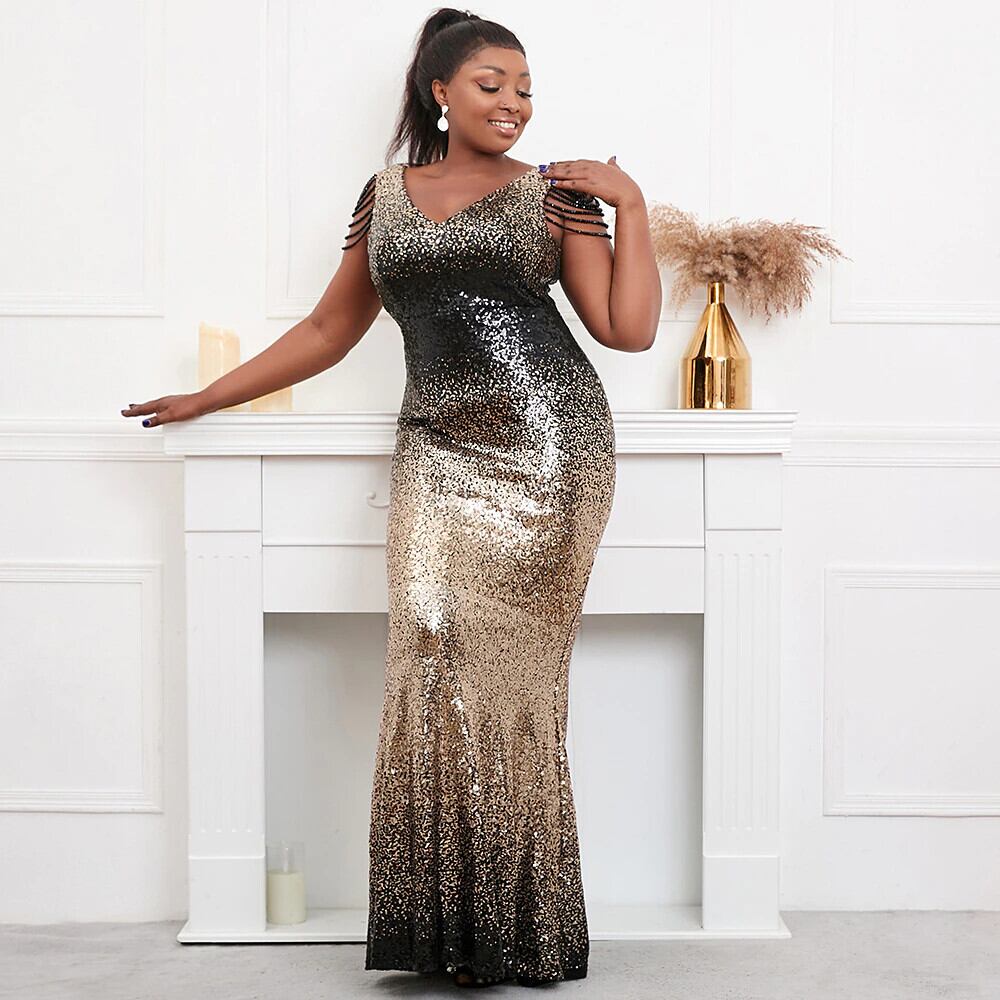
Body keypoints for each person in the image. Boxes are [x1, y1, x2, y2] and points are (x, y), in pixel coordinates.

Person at [122, 6, 661, 989]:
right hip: (435, 448)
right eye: (492, 84)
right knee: (428, 653)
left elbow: (627, 331)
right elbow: (329, 330)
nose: (514, 103)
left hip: (549, 446)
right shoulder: (385, 197)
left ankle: (517, 929)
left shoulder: (556, 198)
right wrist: (207, 397)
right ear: (440, 92)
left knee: (515, 685)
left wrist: (633, 206)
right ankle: (438, 929)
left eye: (526, 89)